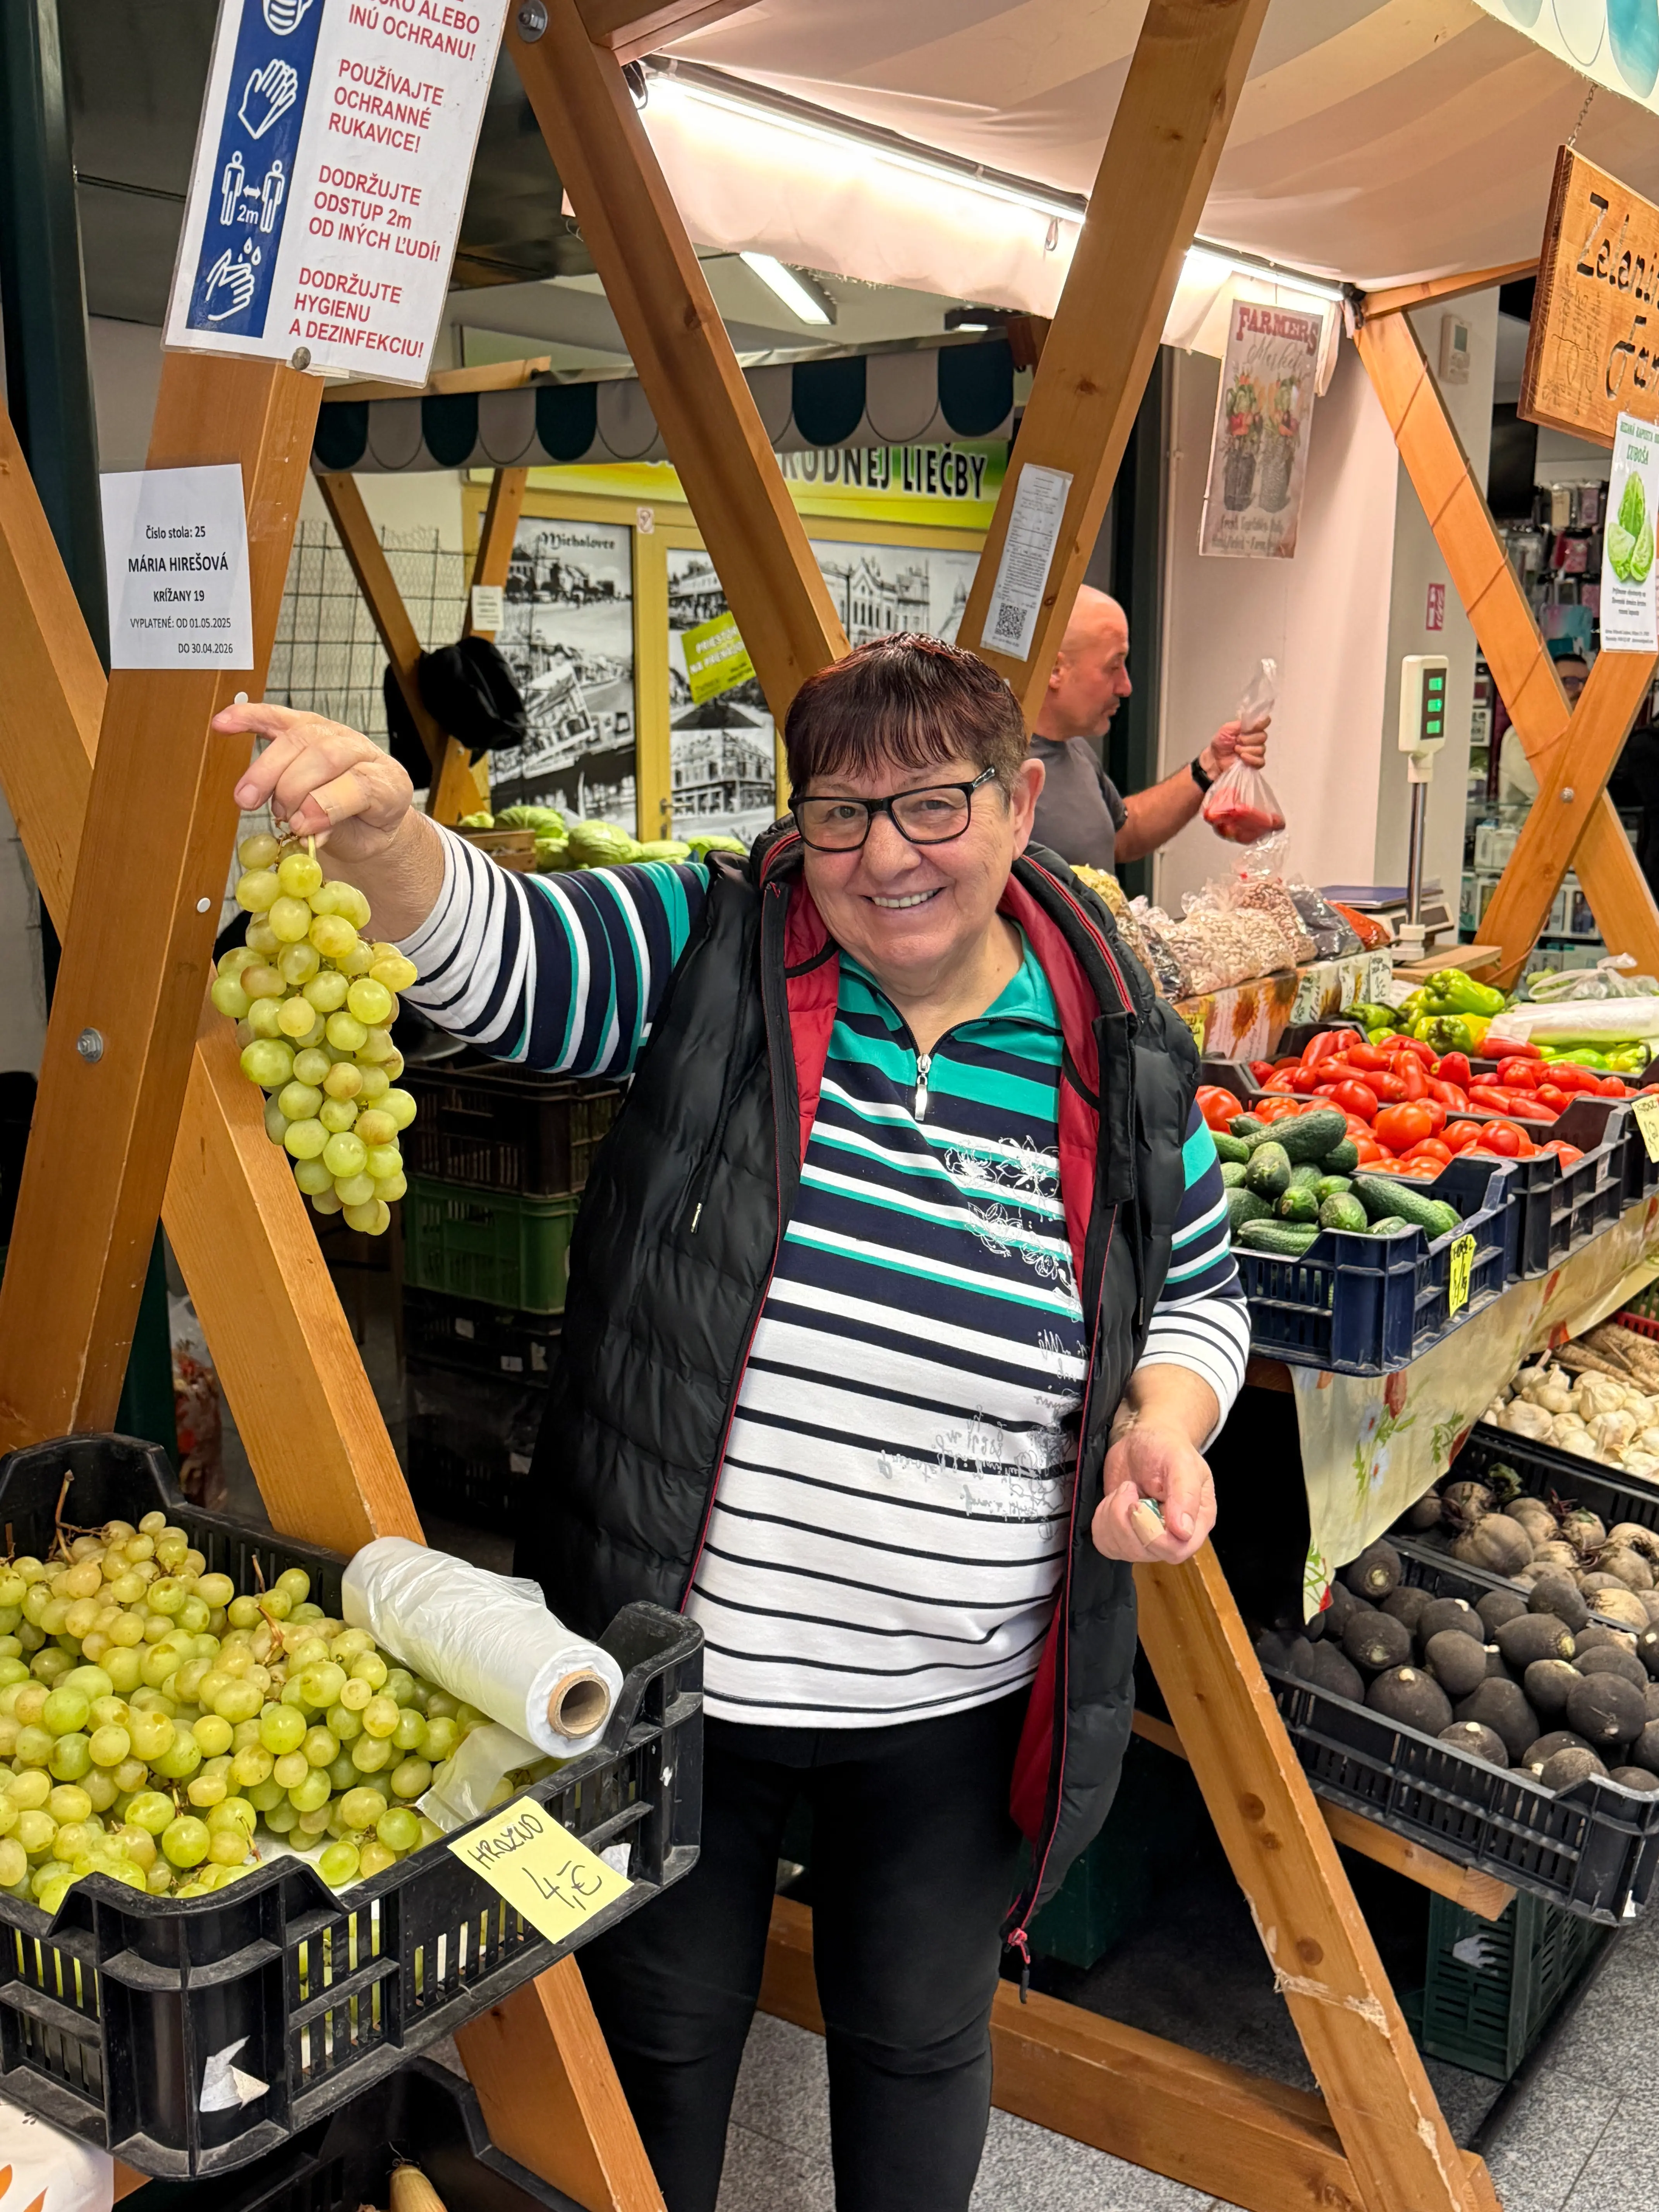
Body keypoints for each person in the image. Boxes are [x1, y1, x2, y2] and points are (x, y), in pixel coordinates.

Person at [215, 636, 1249, 2212]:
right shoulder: (717, 945)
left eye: (932, 805)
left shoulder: (1118, 1038)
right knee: (663, 2037)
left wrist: (1162, 1431)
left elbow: (1195, 1297)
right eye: (839, 814)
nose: (884, 856)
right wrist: (387, 840)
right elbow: (518, 956)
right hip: (683, 1672)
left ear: (1024, 797)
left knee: (915, 2044)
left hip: (955, 1694)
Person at [1029, 586, 1268, 869]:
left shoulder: (1075, 749)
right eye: (1113, 666)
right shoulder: (996, 771)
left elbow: (1123, 836)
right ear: (1056, 671)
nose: (1126, 687)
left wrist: (1211, 765)